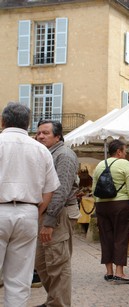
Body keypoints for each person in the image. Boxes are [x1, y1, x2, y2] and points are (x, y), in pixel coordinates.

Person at [0, 103, 60, 307]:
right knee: (19, 279)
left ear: (2, 121)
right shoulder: (41, 150)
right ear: (28, 124)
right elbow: (50, 189)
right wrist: (35, 211)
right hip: (28, 212)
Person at [35, 119, 80, 307]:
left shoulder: (65, 155)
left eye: (45, 133)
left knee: (57, 264)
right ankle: (52, 301)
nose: (40, 136)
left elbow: (61, 190)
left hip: (57, 215)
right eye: (39, 133)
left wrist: (49, 222)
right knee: (42, 264)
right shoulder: (46, 153)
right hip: (44, 214)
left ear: (58, 136)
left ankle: (59, 304)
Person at [92, 139, 129, 284]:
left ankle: (109, 272)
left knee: (106, 238)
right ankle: (120, 272)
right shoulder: (124, 163)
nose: (125, 154)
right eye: (124, 151)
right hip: (120, 204)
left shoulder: (100, 164)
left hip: (101, 205)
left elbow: (94, 189)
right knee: (121, 237)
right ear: (119, 151)